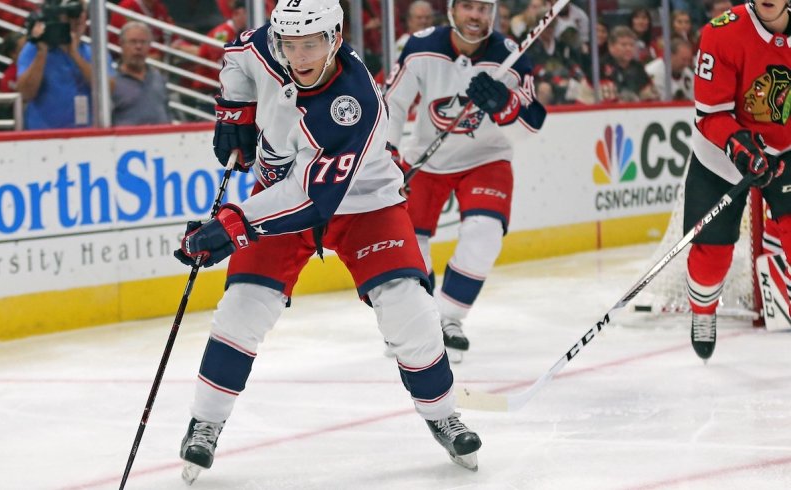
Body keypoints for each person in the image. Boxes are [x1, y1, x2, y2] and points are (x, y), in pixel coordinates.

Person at [173, 0, 482, 484]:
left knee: (409, 311)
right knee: (242, 307)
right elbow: (237, 55)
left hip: (364, 204)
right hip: (279, 196)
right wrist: (234, 112)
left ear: (335, 38)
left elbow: (310, 200)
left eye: (311, 43)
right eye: (289, 44)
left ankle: (442, 412)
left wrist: (232, 225)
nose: (299, 56)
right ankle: (205, 424)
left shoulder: (353, 101)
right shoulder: (264, 47)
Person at [384, 0, 546, 362]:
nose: (476, 16)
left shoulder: (510, 55)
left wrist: (505, 105)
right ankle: (419, 321)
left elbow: (531, 125)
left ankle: (448, 319)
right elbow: (392, 104)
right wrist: (389, 154)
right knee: (408, 242)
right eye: (468, 6)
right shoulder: (420, 45)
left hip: (486, 157)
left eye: (484, 8)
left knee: (484, 235)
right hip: (426, 158)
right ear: (452, 10)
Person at [683, 0, 791, 361]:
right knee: (711, 257)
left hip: (787, 149)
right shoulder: (721, 32)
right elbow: (711, 115)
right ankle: (702, 311)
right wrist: (741, 147)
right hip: (722, 155)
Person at [17, 0, 114, 130]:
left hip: (87, 135)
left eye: (81, 14)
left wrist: (75, 55)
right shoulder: (34, 49)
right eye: (71, 15)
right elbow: (25, 94)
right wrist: (42, 53)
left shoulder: (94, 52)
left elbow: (109, 89)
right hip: (43, 135)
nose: (77, 19)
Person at [112, 21, 171, 126]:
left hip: (161, 140)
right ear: (121, 45)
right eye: (133, 42)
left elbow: (167, 113)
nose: (138, 47)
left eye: (143, 42)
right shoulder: (111, 80)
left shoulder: (158, 77)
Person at [191, 0, 248, 94]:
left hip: (221, 85)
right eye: (246, 13)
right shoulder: (222, 33)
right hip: (208, 86)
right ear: (236, 13)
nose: (249, 17)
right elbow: (217, 61)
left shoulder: (239, 33)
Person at [599, 26, 659, 103]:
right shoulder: (600, 67)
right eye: (624, 45)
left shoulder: (638, 67)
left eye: (631, 45)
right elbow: (608, 103)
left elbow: (651, 98)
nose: (628, 49)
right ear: (611, 46)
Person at [644, 37, 695, 102]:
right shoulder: (651, 71)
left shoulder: (689, 74)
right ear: (670, 55)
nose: (686, 64)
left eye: (689, 60)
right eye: (683, 59)